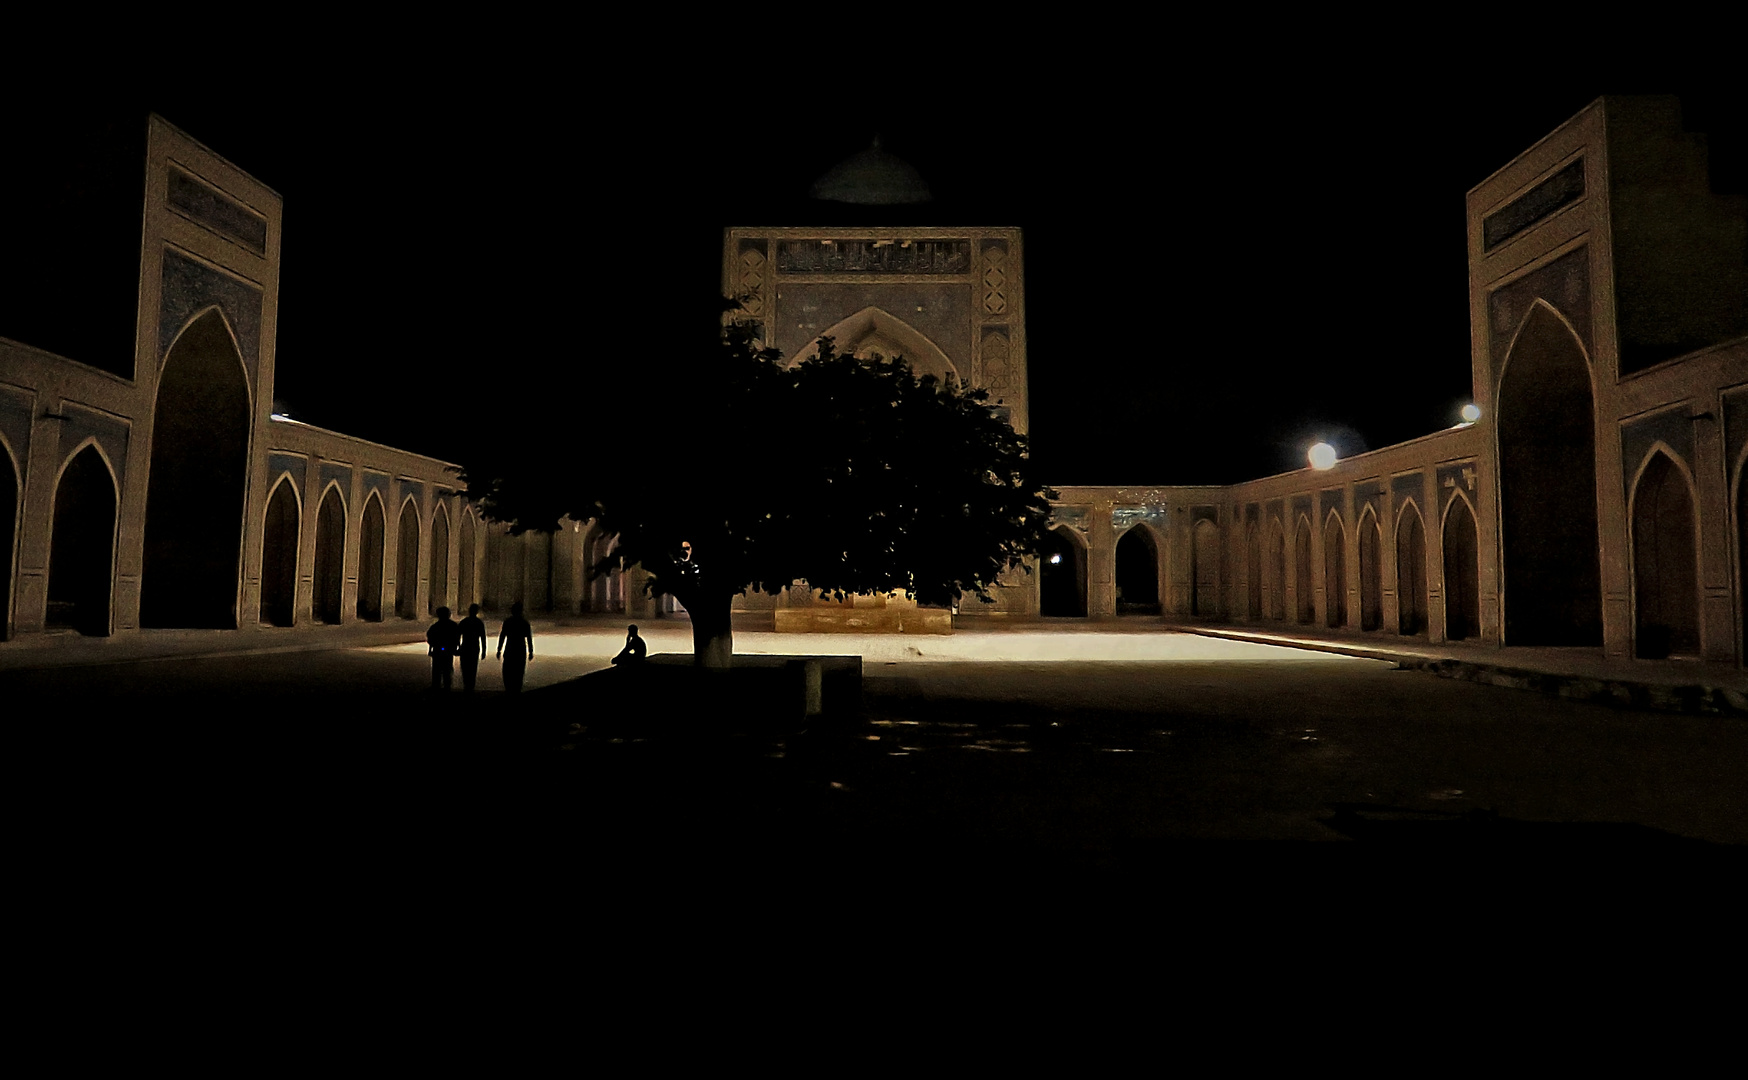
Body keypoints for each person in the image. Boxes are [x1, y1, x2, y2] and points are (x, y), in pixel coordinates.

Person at [497, 600, 534, 694]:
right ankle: (517, 690)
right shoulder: (524, 623)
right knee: (519, 672)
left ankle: (509, 689)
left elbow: (502, 636)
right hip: (520, 649)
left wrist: (499, 649)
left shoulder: (508, 622)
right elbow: (529, 638)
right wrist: (530, 651)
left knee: (508, 671)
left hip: (510, 648)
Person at [426, 606, 462, 691]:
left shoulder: (435, 626)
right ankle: (447, 687)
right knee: (447, 669)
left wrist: (431, 648)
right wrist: (457, 648)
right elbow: (457, 638)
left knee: (436, 670)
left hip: (438, 650)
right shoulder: (453, 625)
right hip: (448, 650)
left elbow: (430, 638)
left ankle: (436, 686)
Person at [458, 604, 487, 692]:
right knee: (473, 668)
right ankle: (471, 686)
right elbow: (482, 637)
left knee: (465, 667)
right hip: (474, 646)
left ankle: (466, 685)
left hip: (465, 646)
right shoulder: (479, 623)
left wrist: (458, 646)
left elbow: (457, 635)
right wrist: (484, 650)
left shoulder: (464, 622)